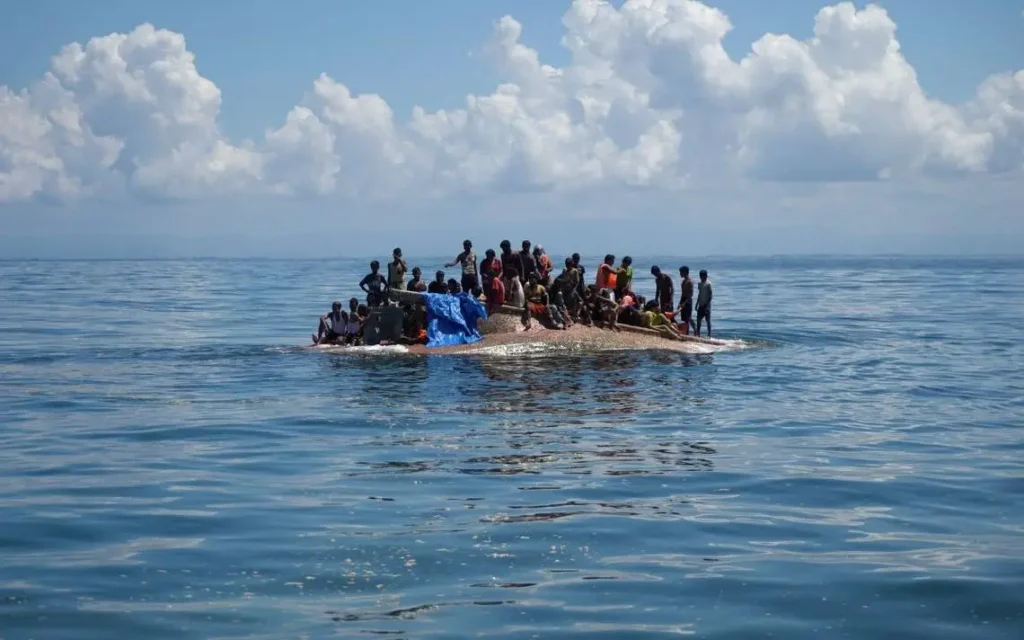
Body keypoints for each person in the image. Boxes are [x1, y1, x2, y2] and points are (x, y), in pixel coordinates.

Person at [677, 266, 694, 335]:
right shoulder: (683, 281)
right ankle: (686, 333)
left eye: (681, 272)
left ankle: (694, 331)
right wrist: (680, 303)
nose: (680, 274)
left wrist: (685, 303)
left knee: (688, 319)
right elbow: (683, 294)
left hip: (688, 302)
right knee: (684, 319)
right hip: (683, 301)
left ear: (685, 272)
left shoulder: (689, 282)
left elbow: (690, 294)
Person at [695, 269, 713, 337]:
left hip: (707, 305)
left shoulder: (708, 284)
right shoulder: (699, 284)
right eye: (700, 276)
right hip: (701, 305)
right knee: (698, 320)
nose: (701, 277)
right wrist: (697, 303)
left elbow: (710, 295)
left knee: (707, 320)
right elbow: (699, 294)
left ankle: (709, 334)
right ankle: (698, 334)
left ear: (706, 276)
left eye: (703, 276)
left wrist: (707, 305)